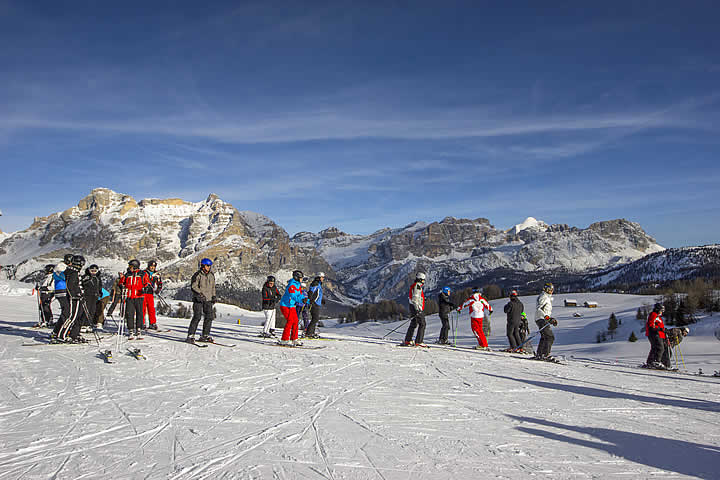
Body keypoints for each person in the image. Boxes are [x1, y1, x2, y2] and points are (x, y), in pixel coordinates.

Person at [53, 255, 87, 343]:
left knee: (73, 316)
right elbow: (71, 286)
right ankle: (62, 335)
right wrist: (76, 295)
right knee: (71, 316)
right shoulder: (73, 272)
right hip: (74, 298)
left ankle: (68, 334)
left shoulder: (71, 271)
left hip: (74, 297)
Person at [187, 258, 216, 344]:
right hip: (198, 300)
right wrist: (199, 294)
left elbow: (213, 287)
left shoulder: (211, 275)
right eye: (207, 266)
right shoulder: (197, 275)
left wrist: (213, 296)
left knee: (209, 317)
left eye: (209, 266)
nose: (209, 267)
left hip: (208, 299)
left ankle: (205, 335)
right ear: (203, 266)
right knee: (197, 317)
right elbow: (193, 286)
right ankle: (190, 335)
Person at [120, 259, 150, 338]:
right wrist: (122, 286)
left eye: (131, 266)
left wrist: (145, 288)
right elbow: (122, 282)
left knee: (140, 313)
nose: (129, 268)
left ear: (135, 266)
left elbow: (147, 283)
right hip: (130, 297)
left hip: (139, 297)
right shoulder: (127, 274)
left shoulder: (142, 274)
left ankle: (139, 329)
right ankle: (130, 330)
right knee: (129, 314)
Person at [278, 270, 307, 346]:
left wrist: (307, 300)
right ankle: (284, 339)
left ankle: (294, 338)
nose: (302, 279)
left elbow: (300, 295)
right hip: (285, 305)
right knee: (290, 320)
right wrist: (301, 300)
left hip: (291, 306)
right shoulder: (291, 285)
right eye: (301, 278)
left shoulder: (298, 285)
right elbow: (293, 296)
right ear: (296, 277)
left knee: (295, 321)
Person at [50, 254, 74, 341]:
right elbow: (61, 276)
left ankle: (57, 331)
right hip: (61, 290)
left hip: (65, 291)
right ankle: (59, 332)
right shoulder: (60, 266)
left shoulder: (64, 266)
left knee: (66, 312)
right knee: (67, 312)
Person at [534, 282, 557, 360]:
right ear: (545, 289)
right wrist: (547, 317)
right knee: (550, 337)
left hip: (542, 318)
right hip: (541, 319)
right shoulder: (544, 297)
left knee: (544, 337)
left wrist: (551, 319)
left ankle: (540, 354)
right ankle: (545, 354)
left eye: (552, 289)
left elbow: (545, 311)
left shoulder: (546, 297)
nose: (551, 291)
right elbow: (539, 309)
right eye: (549, 289)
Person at [403, 272, 427, 346]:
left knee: (414, 323)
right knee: (422, 323)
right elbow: (415, 298)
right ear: (420, 279)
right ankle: (419, 341)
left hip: (412, 306)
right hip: (416, 307)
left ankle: (408, 340)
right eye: (423, 280)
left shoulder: (415, 286)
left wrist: (422, 299)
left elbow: (416, 297)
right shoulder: (417, 286)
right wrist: (418, 309)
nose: (423, 281)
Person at [644, 303, 667, 369]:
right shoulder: (654, 315)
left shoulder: (657, 316)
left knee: (655, 348)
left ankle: (650, 362)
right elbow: (651, 325)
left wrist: (663, 330)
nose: (662, 312)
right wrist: (659, 329)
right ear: (657, 309)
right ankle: (656, 362)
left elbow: (658, 325)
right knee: (659, 348)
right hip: (654, 334)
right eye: (661, 310)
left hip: (657, 334)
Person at [142, 260, 163, 330]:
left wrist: (158, 289)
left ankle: (152, 323)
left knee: (151, 308)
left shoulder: (156, 274)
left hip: (150, 293)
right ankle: (142, 323)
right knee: (143, 308)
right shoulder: (144, 273)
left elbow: (160, 283)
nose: (152, 267)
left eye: (154, 266)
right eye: (151, 266)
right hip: (143, 292)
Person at [80, 264, 102, 332]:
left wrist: (100, 292)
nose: (93, 272)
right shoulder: (86, 276)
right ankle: (83, 324)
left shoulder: (98, 278)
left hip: (94, 296)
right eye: (92, 271)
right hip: (87, 295)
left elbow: (99, 286)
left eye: (95, 271)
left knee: (92, 310)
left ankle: (89, 324)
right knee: (86, 309)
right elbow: (82, 284)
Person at [305, 272, 326, 338]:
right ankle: (309, 333)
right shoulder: (315, 283)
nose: (323, 278)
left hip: (317, 303)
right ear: (319, 277)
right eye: (322, 277)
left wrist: (322, 299)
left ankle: (311, 333)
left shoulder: (318, 284)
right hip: (314, 303)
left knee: (315, 318)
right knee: (315, 318)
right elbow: (311, 292)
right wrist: (310, 300)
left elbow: (318, 293)